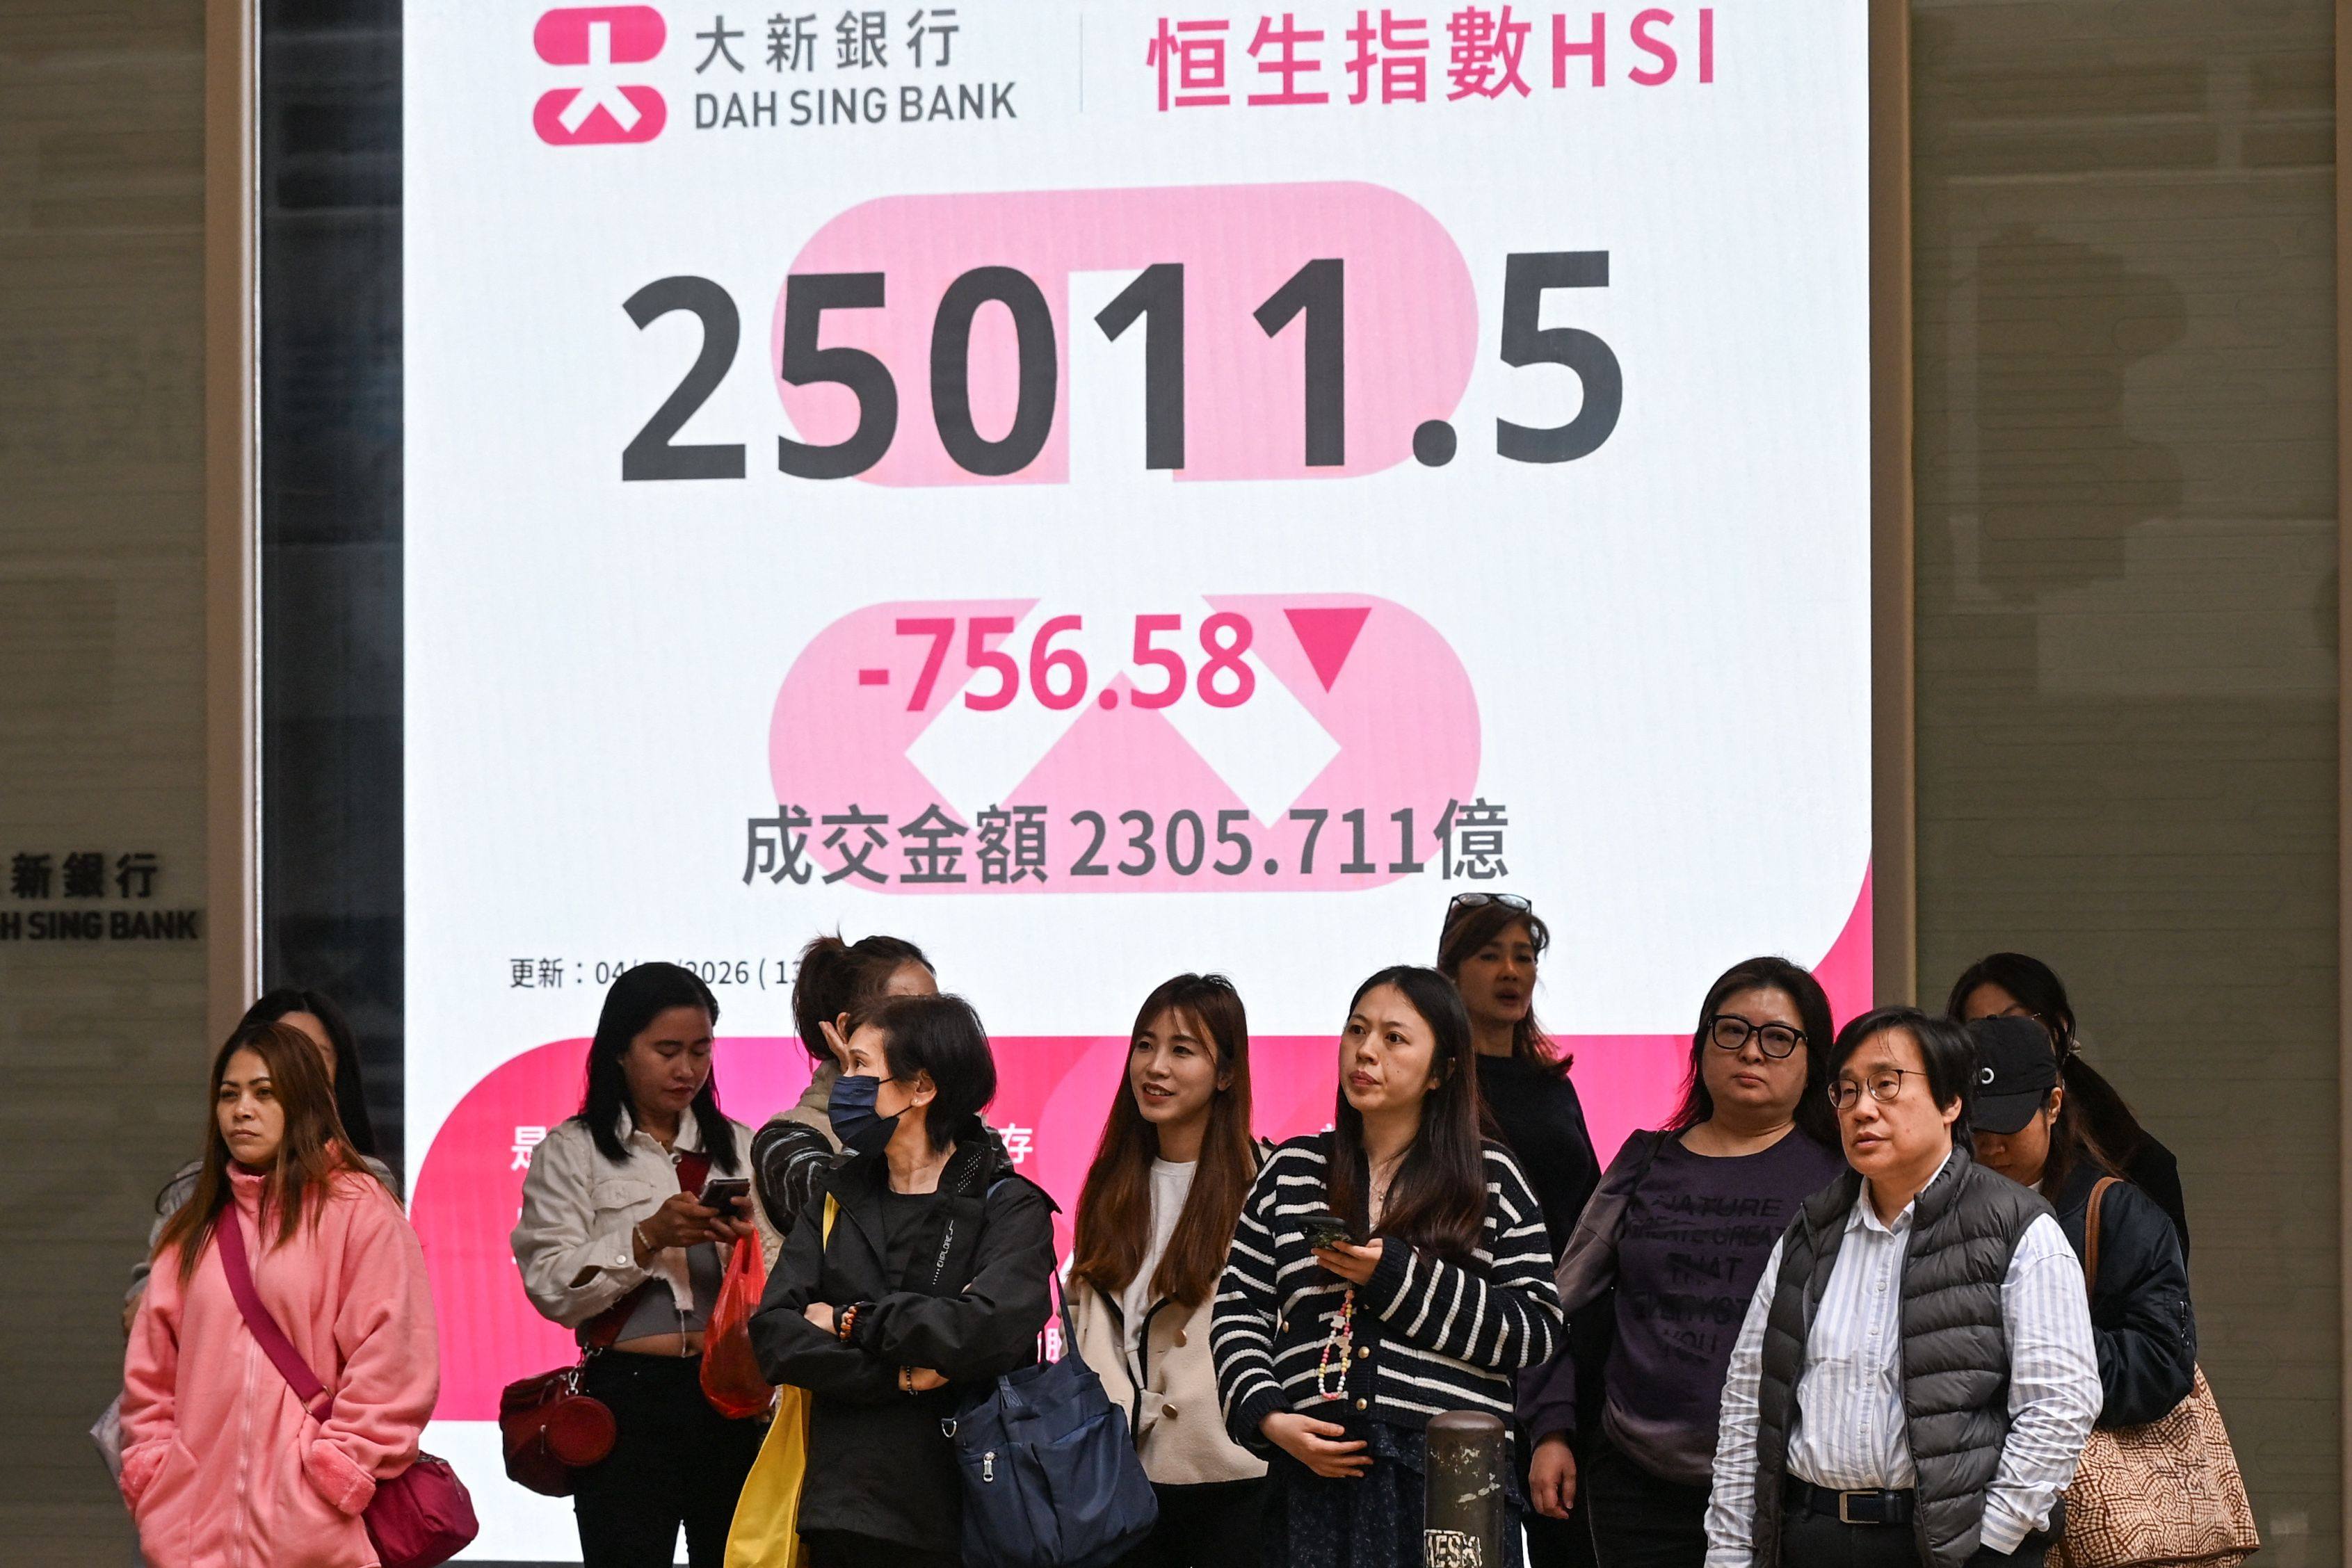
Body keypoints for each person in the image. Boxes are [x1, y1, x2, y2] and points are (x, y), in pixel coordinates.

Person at [1705, 1008, 2102, 1568]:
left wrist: (1989, 1543)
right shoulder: (1810, 1232)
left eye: (1886, 1085)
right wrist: (1728, 1552)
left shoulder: (2018, 1226)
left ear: (1950, 1103)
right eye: (1846, 1091)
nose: (1862, 1108)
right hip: (1810, 1536)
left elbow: (2060, 1404)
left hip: (1945, 1546)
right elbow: (1750, 1401)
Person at [1213, 965, 1565, 1568]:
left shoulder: (1492, 1178)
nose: (1366, 1051)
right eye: (1357, 1030)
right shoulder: (1293, 1169)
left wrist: (1396, 1277)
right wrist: (1270, 1416)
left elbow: (1535, 1330)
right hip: (1313, 1472)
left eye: (1394, 1038)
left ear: (1443, 1070)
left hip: (1452, 1480)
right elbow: (1238, 1312)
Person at [1521, 957, 1847, 1568]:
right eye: (1732, 1030)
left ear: (1814, 1063)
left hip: (1787, 1487)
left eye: (1778, 1038)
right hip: (1635, 1482)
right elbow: (1557, 1306)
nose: (1752, 1051)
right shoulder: (1645, 1162)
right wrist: (1552, 1428)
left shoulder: (1841, 1176)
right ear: (1702, 1047)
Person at [750, 992, 1056, 1568]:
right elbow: (775, 1335)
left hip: (971, 1504)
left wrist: (849, 1321)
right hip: (844, 1506)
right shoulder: (839, 1191)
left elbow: (983, 1331)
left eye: (862, 1066)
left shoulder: (1005, 1203)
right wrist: (905, 1378)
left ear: (921, 1088)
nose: (847, 1083)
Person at [119, 1019, 437, 1568]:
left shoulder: (359, 1209)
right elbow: (151, 1376)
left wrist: (336, 1473)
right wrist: (155, 1475)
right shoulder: (193, 1224)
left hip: (316, 1538)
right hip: (193, 1539)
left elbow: (395, 1361)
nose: (242, 1109)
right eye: (229, 1093)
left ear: (306, 1100)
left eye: (265, 1093)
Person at [512, 962, 762, 1568]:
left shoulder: (744, 1144)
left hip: (730, 1393)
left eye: (701, 1051)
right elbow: (551, 1284)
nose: (687, 1070)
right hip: (625, 1396)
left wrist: (747, 1246)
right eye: (667, 1050)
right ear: (620, 1051)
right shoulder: (574, 1150)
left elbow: (784, 1284)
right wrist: (647, 1237)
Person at [1070, 974, 1270, 1566]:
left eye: (1182, 1050)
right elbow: (1086, 1321)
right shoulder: (1111, 1184)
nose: (1155, 1067)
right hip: (1116, 1476)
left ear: (1226, 1073)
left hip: (1230, 1473)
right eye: (1145, 1044)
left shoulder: (1266, 1185)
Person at [1437, 892, 1600, 1568]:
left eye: (1523, 955)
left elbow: (1588, 1212)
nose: (1510, 970)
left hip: (1566, 1334)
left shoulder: (1551, 1084)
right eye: (1489, 954)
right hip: (1471, 1338)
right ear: (1451, 971)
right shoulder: (1434, 1090)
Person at [1965, 1016, 2196, 1428]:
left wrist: (2036, 1342)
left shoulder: (2117, 1214)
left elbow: (2163, 1363)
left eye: (2009, 1124)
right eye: (1975, 1127)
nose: (1991, 1146)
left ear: (2053, 1105)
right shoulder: (1926, 1204)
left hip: (2072, 1470)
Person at [124, 987, 395, 1332]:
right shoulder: (196, 1187)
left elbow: (385, 1349)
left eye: (315, 1056)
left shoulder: (363, 1190)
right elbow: (145, 1324)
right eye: (279, 1051)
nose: (298, 1067)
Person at [1947, 953, 2188, 1259]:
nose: (2002, 1040)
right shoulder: (1943, 1147)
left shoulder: (2130, 1159)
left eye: (2015, 1022)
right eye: (1979, 1028)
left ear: (2059, 1029)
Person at [750, 933, 936, 1267]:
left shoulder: (966, 1125)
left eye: (939, 1011)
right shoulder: (787, 1138)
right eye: (912, 1015)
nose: (936, 1030)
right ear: (848, 1031)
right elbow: (848, 1227)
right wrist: (865, 1089)